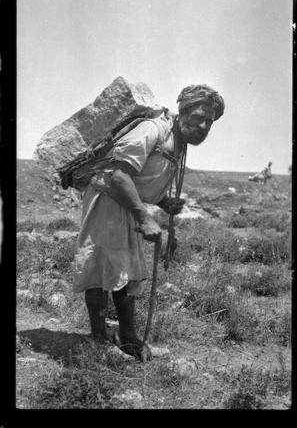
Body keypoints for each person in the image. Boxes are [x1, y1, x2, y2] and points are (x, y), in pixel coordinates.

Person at [72, 84, 225, 360]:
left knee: (127, 272)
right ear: (184, 111)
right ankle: (98, 341)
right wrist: (144, 216)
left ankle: (128, 339)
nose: (203, 125)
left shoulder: (177, 143)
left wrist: (162, 202)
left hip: (126, 202)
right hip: (107, 196)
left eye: (209, 123)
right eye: (198, 117)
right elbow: (119, 175)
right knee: (101, 267)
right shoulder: (153, 130)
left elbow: (141, 178)